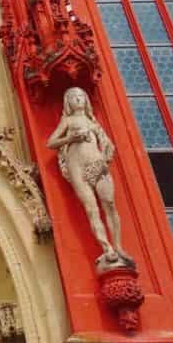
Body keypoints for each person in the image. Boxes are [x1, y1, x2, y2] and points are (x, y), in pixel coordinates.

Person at [47, 86, 133, 268]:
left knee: (109, 203)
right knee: (91, 208)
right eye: (73, 97)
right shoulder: (68, 121)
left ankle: (118, 246)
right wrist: (71, 139)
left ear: (86, 100)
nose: (77, 99)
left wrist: (104, 159)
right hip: (76, 166)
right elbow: (51, 142)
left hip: (96, 164)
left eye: (80, 96)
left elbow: (108, 145)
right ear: (67, 102)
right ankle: (106, 247)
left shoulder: (93, 123)